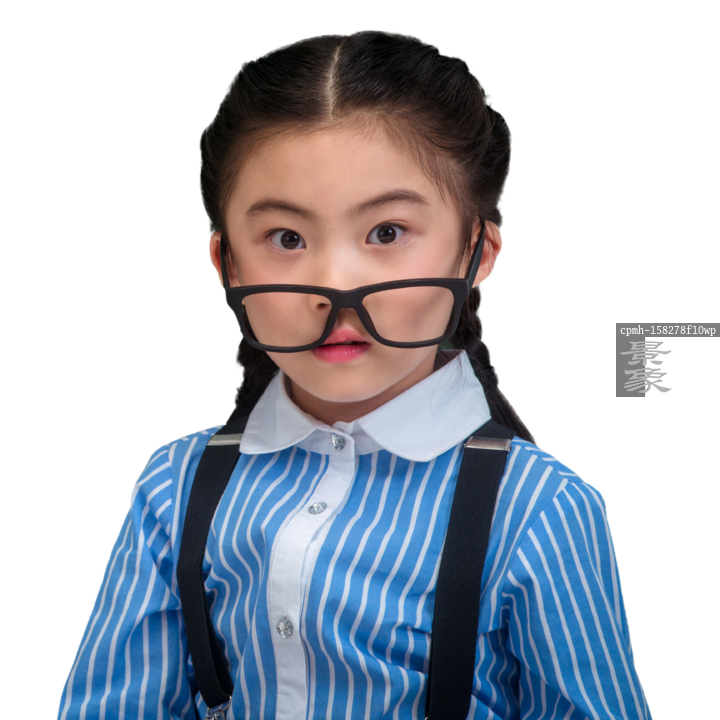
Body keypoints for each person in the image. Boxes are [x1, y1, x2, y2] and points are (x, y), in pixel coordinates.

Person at [58, 29, 652, 720]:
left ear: (478, 251)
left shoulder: (542, 509)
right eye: (287, 238)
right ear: (227, 265)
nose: (334, 285)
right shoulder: (174, 485)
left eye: (386, 233)